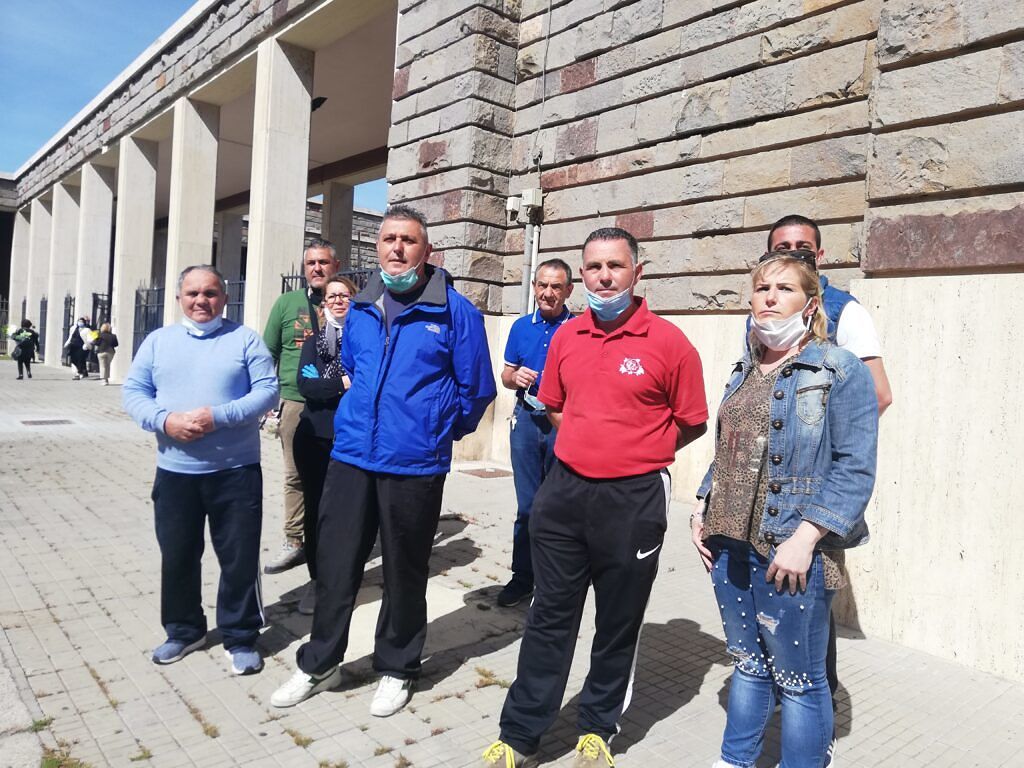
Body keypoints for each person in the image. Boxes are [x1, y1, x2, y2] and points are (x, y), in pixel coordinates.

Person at [484, 228, 709, 768]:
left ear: (637, 272)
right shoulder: (568, 337)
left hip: (633, 500)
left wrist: (635, 450)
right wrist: (587, 443)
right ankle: (518, 736)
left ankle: (597, 728)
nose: (603, 277)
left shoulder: (670, 343)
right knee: (549, 616)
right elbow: (555, 405)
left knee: (617, 621)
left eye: (614, 266)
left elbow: (692, 422)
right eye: (593, 267)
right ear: (582, 275)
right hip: (565, 493)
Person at [270, 205, 496, 716]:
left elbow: (476, 390)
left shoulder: (455, 311)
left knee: (404, 570)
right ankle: (320, 661)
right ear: (377, 248)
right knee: (336, 564)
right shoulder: (363, 307)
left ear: (426, 250)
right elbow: (350, 366)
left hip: (414, 463)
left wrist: (436, 429)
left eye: (408, 240)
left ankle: (397, 667)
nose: (397, 247)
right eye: (389, 238)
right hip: (351, 456)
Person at [691, 251, 878, 768]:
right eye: (761, 289)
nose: (769, 297)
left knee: (799, 680)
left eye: (784, 289)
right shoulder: (744, 367)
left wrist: (806, 538)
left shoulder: (839, 368)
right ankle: (734, 761)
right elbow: (729, 445)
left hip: (790, 549)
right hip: (727, 544)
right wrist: (702, 507)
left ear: (810, 303)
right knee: (748, 666)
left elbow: (855, 467)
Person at [763, 214, 893, 751]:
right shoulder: (767, 306)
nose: (795, 252)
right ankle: (785, 712)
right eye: (783, 247)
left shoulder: (845, 310)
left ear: (822, 254)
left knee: (812, 617)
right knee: (772, 609)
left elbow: (876, 394)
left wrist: (817, 453)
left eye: (804, 246)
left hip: (811, 499)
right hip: (763, 495)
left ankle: (818, 725)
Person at [123, 265, 278, 677]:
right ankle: (184, 630)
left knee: (239, 559)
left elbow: (268, 390)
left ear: (224, 298)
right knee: (177, 557)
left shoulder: (244, 340)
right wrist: (164, 420)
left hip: (236, 472)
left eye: (210, 293)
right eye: (192, 293)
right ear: (179, 299)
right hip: (176, 472)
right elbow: (133, 391)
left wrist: (219, 417)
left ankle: (241, 635)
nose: (201, 301)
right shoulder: (158, 342)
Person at [497, 258, 574, 607]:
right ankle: (522, 578)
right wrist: (517, 378)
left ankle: (552, 583)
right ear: (534, 287)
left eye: (556, 287)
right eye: (542, 285)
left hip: (564, 425)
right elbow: (506, 375)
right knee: (527, 506)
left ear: (568, 290)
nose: (548, 293)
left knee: (556, 507)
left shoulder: (580, 328)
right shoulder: (519, 327)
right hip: (527, 422)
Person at [262, 238, 341, 576]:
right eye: (311, 263)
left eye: (323, 262)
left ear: (335, 266)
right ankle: (296, 541)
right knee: (296, 476)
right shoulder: (286, 303)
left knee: (338, 477)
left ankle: (333, 540)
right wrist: (268, 402)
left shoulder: (346, 299)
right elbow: (268, 353)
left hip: (340, 403)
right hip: (296, 401)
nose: (317, 268)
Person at [292, 275, 358, 615]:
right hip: (313, 437)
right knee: (315, 512)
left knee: (346, 514)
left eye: (344, 295)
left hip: (349, 439)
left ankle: (343, 580)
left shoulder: (364, 340)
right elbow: (306, 386)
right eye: (331, 296)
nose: (337, 301)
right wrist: (343, 382)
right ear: (323, 303)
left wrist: (328, 384)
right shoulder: (312, 342)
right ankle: (317, 581)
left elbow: (365, 384)